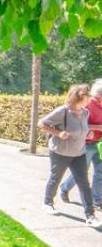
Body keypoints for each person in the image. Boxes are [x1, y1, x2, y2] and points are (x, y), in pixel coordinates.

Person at [38, 83, 99, 226]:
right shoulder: (63, 111)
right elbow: (41, 123)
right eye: (87, 95)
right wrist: (58, 133)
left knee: (84, 183)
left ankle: (90, 216)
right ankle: (47, 203)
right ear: (79, 96)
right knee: (55, 178)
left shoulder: (85, 113)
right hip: (60, 152)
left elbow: (82, 130)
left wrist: (87, 133)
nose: (89, 98)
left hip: (79, 153)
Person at [59, 79, 102, 209]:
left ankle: (97, 200)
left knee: (100, 173)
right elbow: (79, 124)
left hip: (99, 144)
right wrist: (98, 127)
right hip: (86, 144)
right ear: (98, 95)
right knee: (81, 172)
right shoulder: (88, 104)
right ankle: (64, 188)